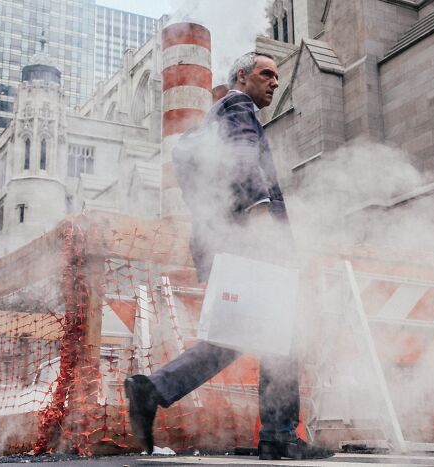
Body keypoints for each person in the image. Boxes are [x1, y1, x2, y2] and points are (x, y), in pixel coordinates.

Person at [124, 52, 334, 460]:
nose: (275, 82)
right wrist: (261, 222)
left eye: (277, 76)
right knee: (283, 335)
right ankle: (278, 435)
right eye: (266, 74)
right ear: (242, 76)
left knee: (241, 337)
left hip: (228, 243)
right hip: (249, 242)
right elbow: (242, 160)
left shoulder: (213, 119)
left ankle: (154, 391)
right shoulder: (238, 106)